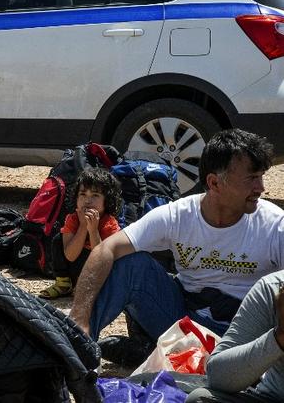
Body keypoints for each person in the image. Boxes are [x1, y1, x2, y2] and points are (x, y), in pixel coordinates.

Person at [69, 129, 284, 364]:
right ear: (214, 182)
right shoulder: (178, 215)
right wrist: (80, 319)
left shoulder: (274, 225)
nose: (261, 188)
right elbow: (106, 249)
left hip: (245, 336)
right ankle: (76, 351)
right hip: (182, 322)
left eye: (261, 177)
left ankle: (152, 351)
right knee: (131, 264)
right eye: (251, 178)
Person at [187, 270, 284, 403]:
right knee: (199, 399)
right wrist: (279, 337)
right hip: (276, 398)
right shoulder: (272, 288)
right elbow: (217, 378)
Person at [39, 168, 121, 299]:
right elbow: (70, 256)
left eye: (95, 195)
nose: (87, 201)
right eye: (83, 194)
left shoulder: (109, 224)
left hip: (99, 271)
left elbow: (101, 259)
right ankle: (64, 283)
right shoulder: (73, 219)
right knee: (58, 240)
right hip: (76, 264)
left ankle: (90, 288)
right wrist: (83, 226)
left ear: (107, 201)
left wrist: (93, 230)